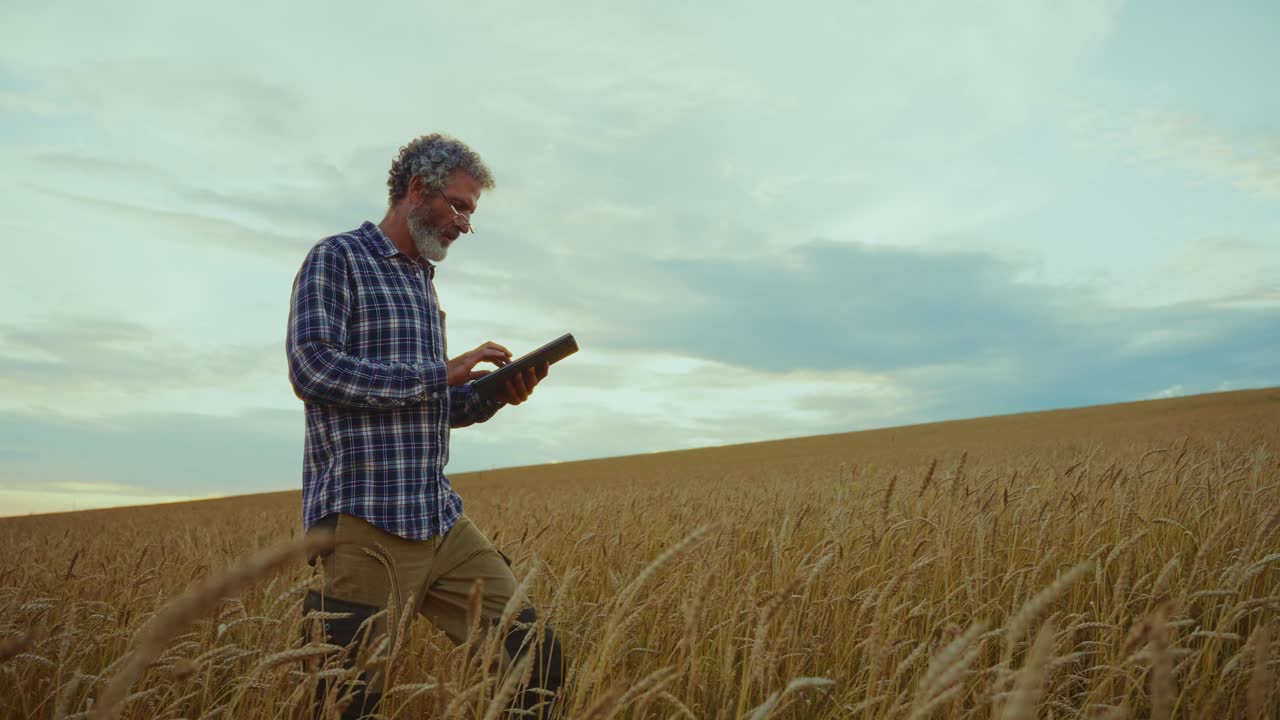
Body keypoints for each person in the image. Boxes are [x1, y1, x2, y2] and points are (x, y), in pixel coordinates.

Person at [286, 133, 563, 719]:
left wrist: (491, 396)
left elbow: (430, 405)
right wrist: (442, 371)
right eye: (459, 206)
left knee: (534, 657)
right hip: (366, 519)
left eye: (471, 212)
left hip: (437, 515)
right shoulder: (336, 259)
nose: (465, 224)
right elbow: (313, 369)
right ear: (417, 190)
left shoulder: (422, 282)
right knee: (346, 701)